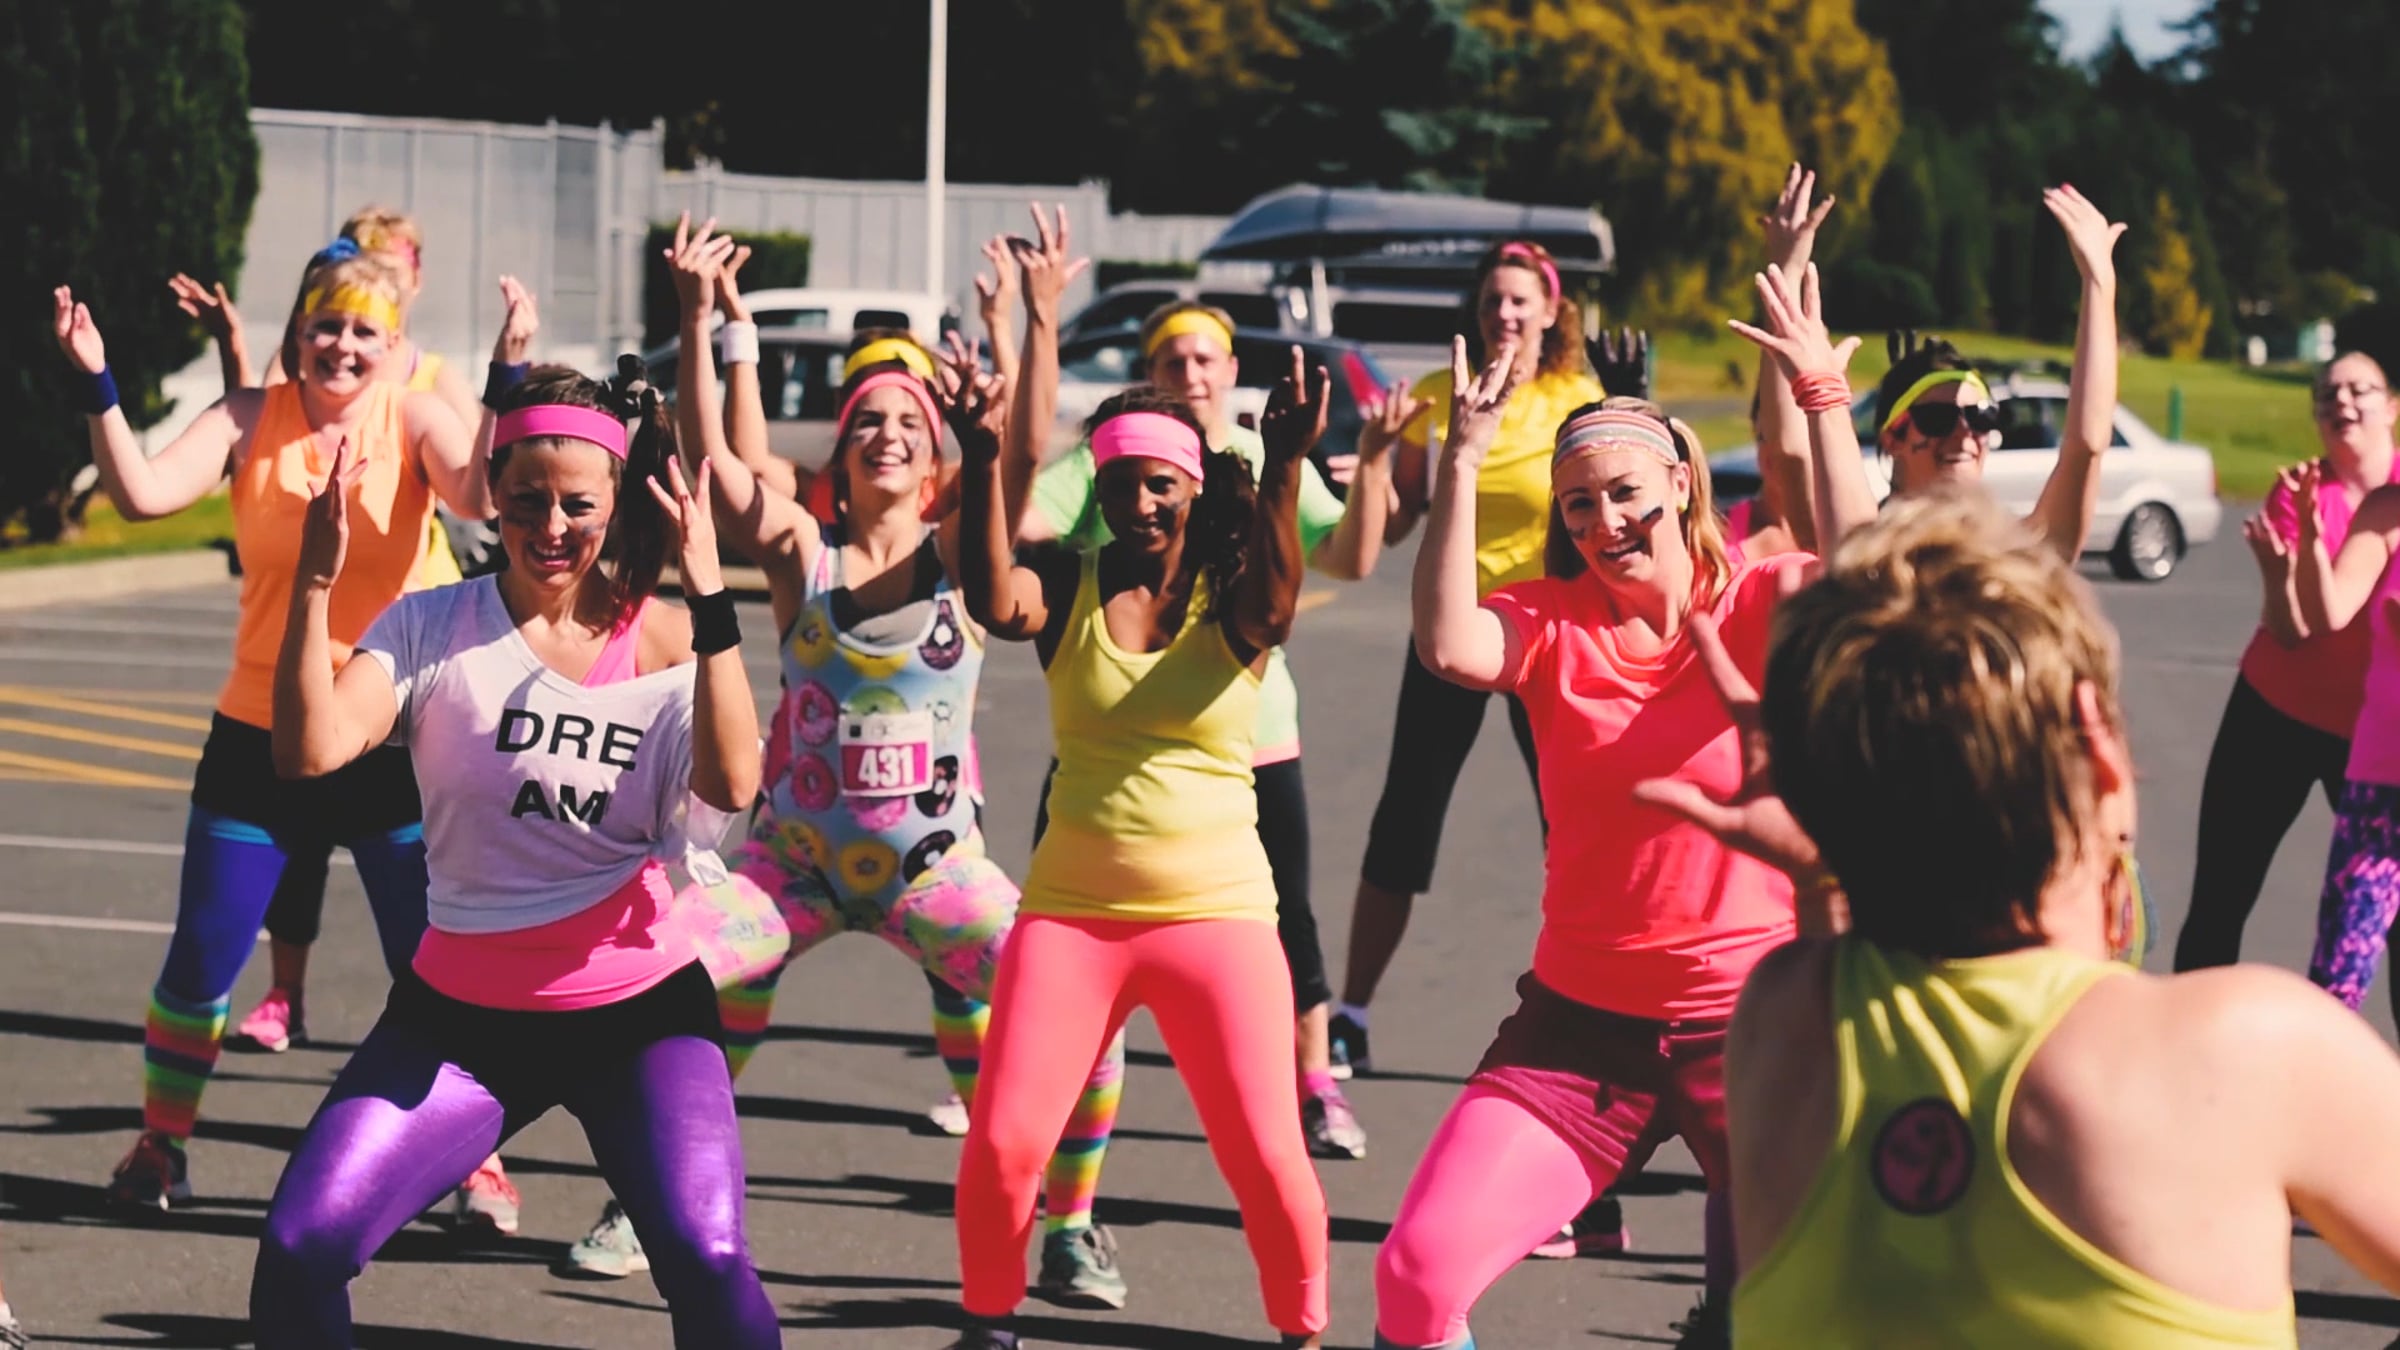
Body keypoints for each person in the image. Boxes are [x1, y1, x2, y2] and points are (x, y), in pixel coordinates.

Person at [1641, 488, 2400, 1347]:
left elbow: (1850, 1002)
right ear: (2101, 749)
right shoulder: (2246, 1049)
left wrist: (1824, 871)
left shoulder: (1779, 1025)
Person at [553, 218, 1133, 1305]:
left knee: (1087, 1020)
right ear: (842, 447)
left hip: (936, 872)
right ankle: (647, 1202)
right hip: (792, 868)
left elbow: (1019, 456)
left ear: (936, 453)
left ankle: (1071, 1228)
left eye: (908, 421)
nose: (886, 435)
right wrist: (701, 318)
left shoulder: (961, 555)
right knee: (659, 982)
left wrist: (1039, 319)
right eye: (867, 420)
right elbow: (716, 467)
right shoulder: (799, 549)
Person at [249, 358, 778, 1348]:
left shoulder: (665, 639)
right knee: (300, 1248)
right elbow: (308, 750)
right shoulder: (433, 625)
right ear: (491, 489)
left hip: (639, 1017)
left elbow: (733, 784)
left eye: (578, 504)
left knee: (708, 1259)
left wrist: (711, 601)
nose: (551, 526)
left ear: (614, 500)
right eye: (527, 499)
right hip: (461, 1019)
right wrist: (315, 584)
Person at [1371, 335, 1804, 1350]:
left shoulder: (1759, 596)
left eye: (1623, 494)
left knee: (1802, 1314)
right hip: (1579, 1028)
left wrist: (1819, 394)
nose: (1602, 522)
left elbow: (1873, 582)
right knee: (1417, 1277)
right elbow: (1448, 646)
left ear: (1681, 485)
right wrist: (1462, 460)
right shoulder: (1550, 619)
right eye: (1577, 504)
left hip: (1760, 1027)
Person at [50, 257, 486, 1213]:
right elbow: (144, 495)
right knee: (200, 961)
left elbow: (481, 496)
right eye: (326, 325)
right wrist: (97, 381)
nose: (343, 346)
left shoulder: (414, 417)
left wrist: (509, 371)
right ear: (297, 332)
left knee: (436, 966)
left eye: (365, 331)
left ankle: (471, 1154)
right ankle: (161, 1145)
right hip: (256, 735)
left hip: (387, 738)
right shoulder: (250, 416)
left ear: (394, 345)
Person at [950, 341, 1330, 1350]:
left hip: (1219, 916)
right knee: (1004, 1145)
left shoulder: (1234, 586)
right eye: (1117, 485)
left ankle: (1303, 1331)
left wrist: (1286, 464)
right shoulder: (1067, 581)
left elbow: (1278, 612)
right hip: (1072, 917)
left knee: (1265, 1156)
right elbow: (991, 600)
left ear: (1193, 483)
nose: (1137, 504)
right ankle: (987, 1326)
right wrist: (981, 460)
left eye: (1157, 483)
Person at [1006, 206, 1397, 1163]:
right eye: (1172, 360)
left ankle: (1314, 1086)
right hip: (1112, 735)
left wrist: (1378, 468)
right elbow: (1026, 531)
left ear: (1229, 370)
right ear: (1152, 374)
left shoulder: (1265, 457)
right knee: (1072, 925)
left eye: (1205, 358)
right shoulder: (1113, 461)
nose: (1191, 372)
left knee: (1285, 916)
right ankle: (1047, 1096)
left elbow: (1347, 558)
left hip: (1249, 737)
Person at [1327, 238, 1603, 1092]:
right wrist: (1374, 461)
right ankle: (1351, 1014)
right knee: (1404, 822)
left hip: (1547, 637)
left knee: (1573, 829)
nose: (1504, 314)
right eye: (1492, 301)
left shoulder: (1578, 398)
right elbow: (1397, 524)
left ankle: (1590, 1012)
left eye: (1520, 300)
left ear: (1552, 311)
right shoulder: (1439, 394)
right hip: (1454, 631)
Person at [2175, 353, 2394, 970]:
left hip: (2373, 742)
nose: (2341, 402)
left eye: (2358, 390)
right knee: (2220, 898)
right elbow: (2290, 631)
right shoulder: (2302, 491)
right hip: (2273, 717)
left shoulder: (2396, 499)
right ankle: (2195, 1025)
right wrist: (2277, 574)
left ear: (2392, 407)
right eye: (2327, 394)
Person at [1810, 187, 2123, 563]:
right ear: (1892, 437)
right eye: (1937, 418)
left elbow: (2084, 448)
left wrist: (2098, 283)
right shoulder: (1870, 556)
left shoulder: (2006, 561)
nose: (1964, 433)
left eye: (1981, 416)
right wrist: (1822, 392)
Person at [2288, 376, 2400, 1019]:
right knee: (2336, 982)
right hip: (2380, 790)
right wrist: (2309, 538)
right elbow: (2330, 611)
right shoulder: (2387, 511)